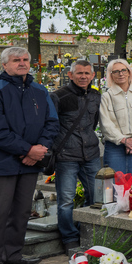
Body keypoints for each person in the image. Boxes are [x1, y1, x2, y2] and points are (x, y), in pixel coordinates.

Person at [0, 47, 60, 264]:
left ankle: (11, 255)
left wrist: (38, 150)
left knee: (21, 211)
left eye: (25, 59)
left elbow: (51, 122)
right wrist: (27, 150)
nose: (22, 63)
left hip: (29, 163)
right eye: (16, 60)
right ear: (4, 65)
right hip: (0, 161)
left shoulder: (39, 91)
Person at [50, 59, 101, 251]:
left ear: (93, 75)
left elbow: (93, 123)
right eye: (79, 73)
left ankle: (84, 231)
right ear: (70, 75)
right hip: (66, 156)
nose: (83, 77)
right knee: (65, 200)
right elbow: (52, 125)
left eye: (87, 73)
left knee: (95, 196)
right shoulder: (58, 96)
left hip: (91, 154)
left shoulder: (96, 96)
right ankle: (69, 238)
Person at [101, 59, 132, 175]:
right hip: (115, 146)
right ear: (111, 75)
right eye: (116, 71)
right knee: (115, 184)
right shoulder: (107, 96)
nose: (121, 74)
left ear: (129, 72)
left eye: (124, 70)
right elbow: (105, 123)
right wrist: (124, 140)